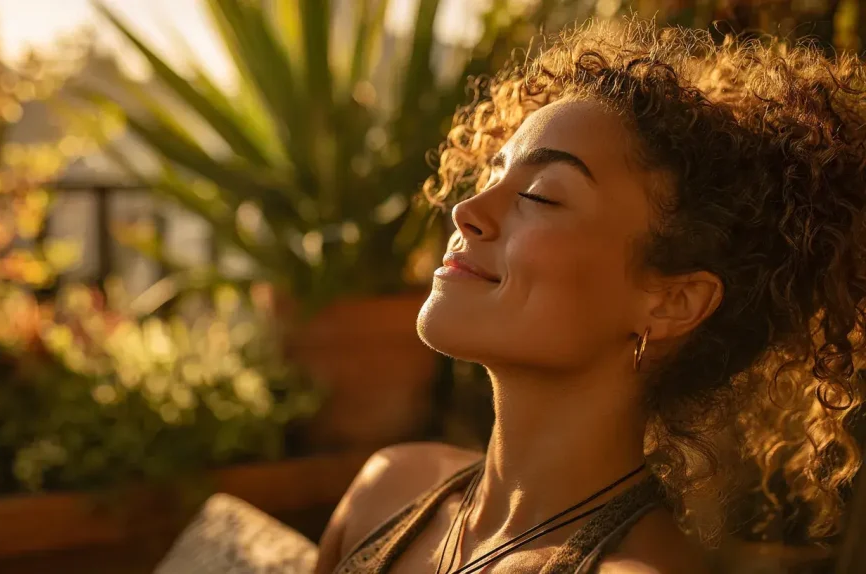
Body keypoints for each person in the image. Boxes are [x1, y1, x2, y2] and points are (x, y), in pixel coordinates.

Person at [313, 16, 866, 574]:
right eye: (493, 176)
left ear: (674, 302)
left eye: (541, 196)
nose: (466, 211)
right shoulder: (387, 492)